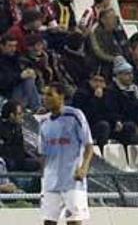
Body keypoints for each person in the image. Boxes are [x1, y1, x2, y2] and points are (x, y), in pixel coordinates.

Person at [39, 82, 94, 225]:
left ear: (61, 96)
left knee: (74, 221)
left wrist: (83, 169)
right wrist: (43, 176)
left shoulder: (75, 116)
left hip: (72, 180)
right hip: (51, 181)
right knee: (48, 222)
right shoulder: (43, 122)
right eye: (44, 94)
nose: (45, 98)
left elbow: (88, 146)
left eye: (50, 94)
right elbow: (43, 153)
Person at [0, 100, 40, 172]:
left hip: (18, 160)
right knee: (10, 164)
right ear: (12, 115)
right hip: (6, 161)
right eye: (19, 114)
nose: (22, 116)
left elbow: (20, 148)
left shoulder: (17, 127)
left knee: (37, 163)